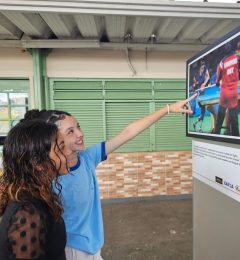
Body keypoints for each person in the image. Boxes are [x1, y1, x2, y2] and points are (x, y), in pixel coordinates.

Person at [21, 95, 195, 260]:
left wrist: (168, 109)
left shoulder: (88, 158)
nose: (80, 134)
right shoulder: (48, 175)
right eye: (70, 132)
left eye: (78, 126)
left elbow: (128, 132)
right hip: (70, 249)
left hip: (94, 247)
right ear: (54, 139)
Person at [0, 120, 70, 260]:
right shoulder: (27, 213)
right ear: (37, 163)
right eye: (61, 148)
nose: (68, 152)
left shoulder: (33, 197)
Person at [214, 42, 240, 136]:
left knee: (219, 120)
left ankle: (216, 137)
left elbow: (217, 80)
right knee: (234, 120)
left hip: (224, 95)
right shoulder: (238, 58)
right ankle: (236, 139)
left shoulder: (222, 62)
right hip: (234, 94)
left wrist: (217, 83)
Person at [192, 61, 210, 131]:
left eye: (203, 67)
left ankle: (197, 125)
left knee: (203, 112)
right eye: (202, 68)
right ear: (199, 68)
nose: (203, 69)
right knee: (203, 111)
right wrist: (195, 93)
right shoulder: (196, 75)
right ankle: (198, 126)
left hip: (203, 95)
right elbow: (194, 85)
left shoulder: (204, 71)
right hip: (200, 96)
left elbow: (208, 77)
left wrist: (204, 84)